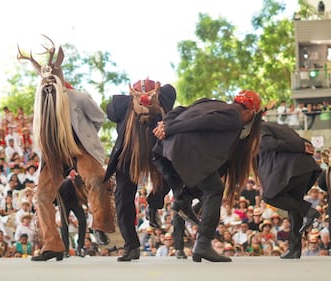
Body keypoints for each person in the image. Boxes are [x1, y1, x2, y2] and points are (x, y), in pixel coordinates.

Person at [18, 40, 115, 261]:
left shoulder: (78, 98)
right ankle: (52, 245)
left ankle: (99, 226)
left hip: (79, 147)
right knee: (42, 195)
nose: (48, 85)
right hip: (55, 153)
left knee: (97, 177)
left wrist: (86, 136)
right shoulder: (40, 105)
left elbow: (99, 118)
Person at [152, 90, 263, 262]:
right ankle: (203, 244)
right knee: (215, 189)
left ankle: (182, 200)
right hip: (183, 150)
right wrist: (170, 128)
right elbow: (203, 122)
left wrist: (165, 124)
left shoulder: (209, 102)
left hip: (164, 151)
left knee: (206, 180)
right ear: (249, 112)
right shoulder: (234, 117)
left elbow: (180, 109)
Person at [103, 79, 176, 262]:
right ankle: (131, 245)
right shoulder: (120, 106)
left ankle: (154, 203)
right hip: (129, 154)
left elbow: (169, 91)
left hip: (157, 151)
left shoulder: (165, 99)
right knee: (123, 197)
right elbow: (109, 111)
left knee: (172, 175)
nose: (145, 102)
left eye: (151, 97)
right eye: (140, 99)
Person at [257, 121, 322, 259]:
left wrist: (300, 146)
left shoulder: (261, 128)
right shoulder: (284, 128)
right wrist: (302, 146)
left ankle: (309, 211)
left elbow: (269, 144)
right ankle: (295, 249)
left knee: (269, 197)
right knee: (294, 208)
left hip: (291, 169)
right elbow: (303, 142)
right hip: (305, 168)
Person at [58, 173, 87, 258]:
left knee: (82, 221)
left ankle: (79, 246)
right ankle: (65, 249)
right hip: (64, 202)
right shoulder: (65, 182)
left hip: (75, 202)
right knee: (64, 224)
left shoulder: (80, 181)